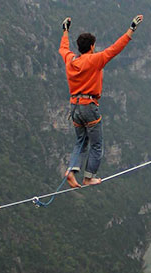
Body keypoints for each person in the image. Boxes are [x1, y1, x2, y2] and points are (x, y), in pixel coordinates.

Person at [58, 14, 143, 188]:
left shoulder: (70, 60)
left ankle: (71, 171)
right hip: (89, 106)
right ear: (91, 46)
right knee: (96, 145)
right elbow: (115, 48)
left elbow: (63, 48)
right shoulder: (95, 60)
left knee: (81, 142)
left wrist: (65, 30)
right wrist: (131, 29)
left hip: (74, 107)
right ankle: (89, 177)